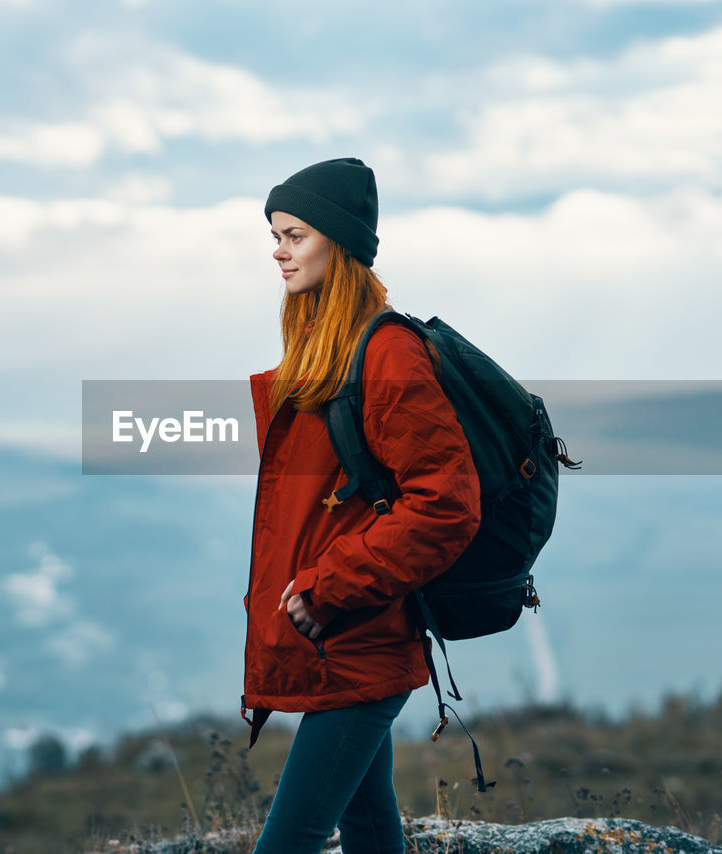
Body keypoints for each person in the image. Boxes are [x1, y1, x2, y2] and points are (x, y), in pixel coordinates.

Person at [243, 157, 482, 853]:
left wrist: (326, 588)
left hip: (360, 638)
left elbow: (446, 504)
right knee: (373, 833)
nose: (279, 252)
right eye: (275, 235)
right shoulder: (328, 348)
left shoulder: (386, 355)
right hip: (339, 640)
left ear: (338, 243)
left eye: (294, 235)